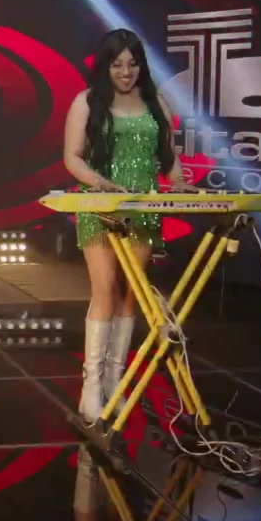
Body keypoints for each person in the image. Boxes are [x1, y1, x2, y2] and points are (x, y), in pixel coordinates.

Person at [62, 28, 193, 421]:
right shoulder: (86, 101)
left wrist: (178, 180)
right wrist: (100, 183)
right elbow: (72, 157)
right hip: (101, 206)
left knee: (131, 293)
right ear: (106, 65)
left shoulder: (156, 101)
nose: (125, 72)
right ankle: (90, 389)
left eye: (132, 64)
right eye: (117, 64)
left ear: (141, 66)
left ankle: (114, 383)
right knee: (104, 289)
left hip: (145, 208)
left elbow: (168, 155)